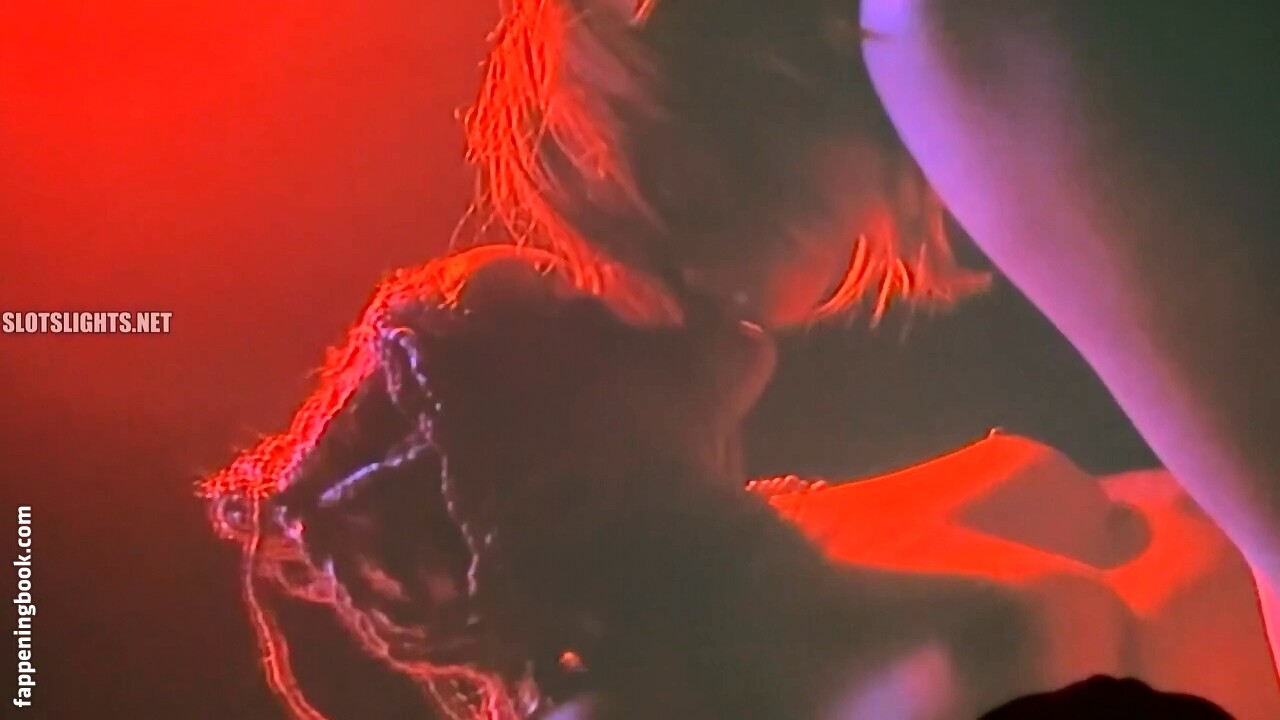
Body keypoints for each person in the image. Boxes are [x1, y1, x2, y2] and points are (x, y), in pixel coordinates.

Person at [200, 0, 1280, 717]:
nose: (624, 288)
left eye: (599, 246)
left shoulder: (945, 39)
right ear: (554, 481)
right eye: (568, 304)